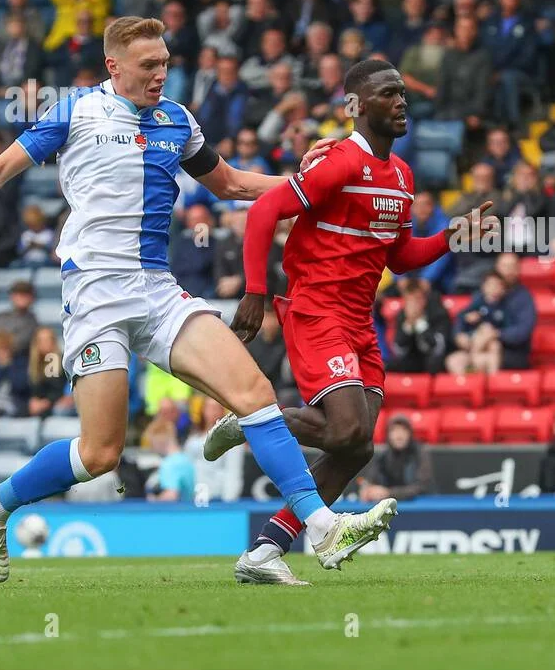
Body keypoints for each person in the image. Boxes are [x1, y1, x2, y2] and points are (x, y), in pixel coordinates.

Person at [0, 17, 393, 583]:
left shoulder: (178, 120)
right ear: (114, 67)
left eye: (165, 63)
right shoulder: (75, 112)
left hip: (157, 289)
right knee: (101, 454)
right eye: (149, 66)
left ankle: (320, 526)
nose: (160, 75)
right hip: (95, 294)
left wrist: (309, 184)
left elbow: (232, 186)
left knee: (254, 391)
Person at [202, 59, 492, 585]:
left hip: (361, 321)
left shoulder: (401, 176)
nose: (402, 101)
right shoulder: (338, 162)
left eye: (404, 92)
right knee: (346, 428)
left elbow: (400, 257)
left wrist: (451, 236)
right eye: (388, 93)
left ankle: (267, 550)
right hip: (317, 311)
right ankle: (254, 421)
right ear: (357, 105)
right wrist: (255, 291)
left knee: (358, 445)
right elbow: (267, 210)